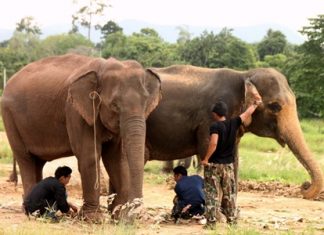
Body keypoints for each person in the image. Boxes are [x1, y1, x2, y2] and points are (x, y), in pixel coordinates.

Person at [201, 100, 262, 227]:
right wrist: (255, 104)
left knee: (212, 194)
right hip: (228, 166)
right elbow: (246, 114)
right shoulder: (233, 123)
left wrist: (206, 158)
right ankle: (232, 222)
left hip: (214, 166)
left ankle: (211, 223)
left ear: (215, 113)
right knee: (229, 194)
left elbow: (213, 143)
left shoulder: (215, 126)